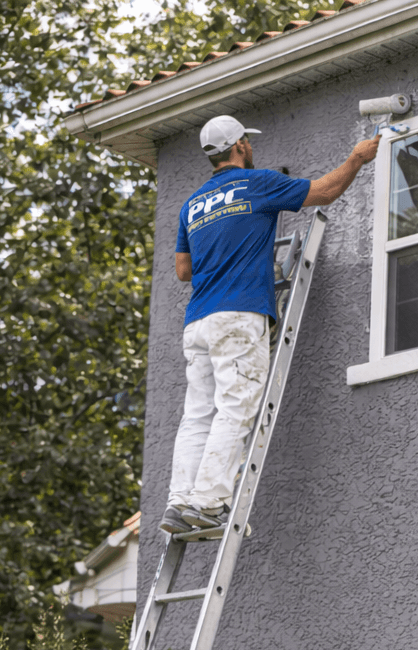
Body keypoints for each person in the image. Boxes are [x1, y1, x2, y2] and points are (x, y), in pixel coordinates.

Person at [159, 115, 382, 534]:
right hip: (238, 315)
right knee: (236, 407)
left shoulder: (192, 204)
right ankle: (208, 504)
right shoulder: (256, 183)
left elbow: (183, 270)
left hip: (198, 323)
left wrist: (224, 245)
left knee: (198, 415)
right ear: (240, 145)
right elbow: (324, 192)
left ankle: (180, 500)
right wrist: (356, 158)